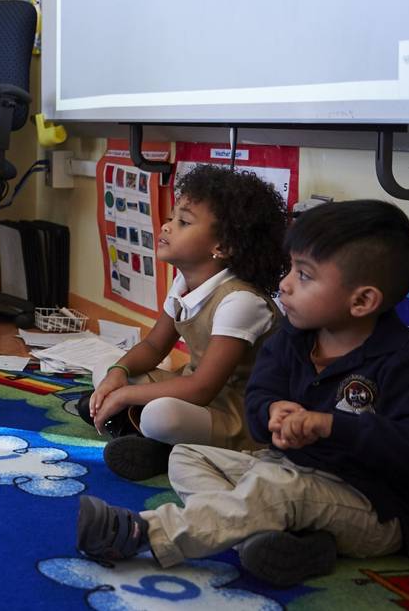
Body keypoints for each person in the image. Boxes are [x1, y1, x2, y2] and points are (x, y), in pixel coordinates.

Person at [76, 199, 409, 586]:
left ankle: (142, 534)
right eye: (290, 267)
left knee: (278, 492)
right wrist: (270, 410)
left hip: (373, 506)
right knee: (186, 456)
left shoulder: (402, 360)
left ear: (362, 301)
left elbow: (408, 446)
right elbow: (258, 400)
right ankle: (275, 542)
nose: (285, 283)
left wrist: (331, 426)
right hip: (287, 470)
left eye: (304, 276)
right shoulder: (293, 339)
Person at [79, 166, 288, 479]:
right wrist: (117, 374)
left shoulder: (241, 301)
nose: (167, 226)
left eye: (183, 222)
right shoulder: (183, 282)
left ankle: (154, 443)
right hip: (196, 391)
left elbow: (202, 388)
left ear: (223, 247)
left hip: (240, 412)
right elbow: (152, 346)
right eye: (172, 217)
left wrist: (123, 395)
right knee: (103, 370)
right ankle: (144, 435)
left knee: (161, 416)